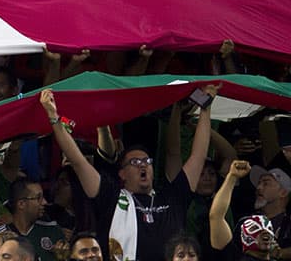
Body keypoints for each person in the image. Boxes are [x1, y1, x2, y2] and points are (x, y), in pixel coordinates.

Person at [41, 86, 218, 261]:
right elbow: (78, 162)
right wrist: (54, 118)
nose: (143, 165)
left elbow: (198, 156)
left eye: (147, 161)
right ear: (122, 174)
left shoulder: (172, 197)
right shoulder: (110, 197)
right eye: (135, 162)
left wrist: (205, 108)